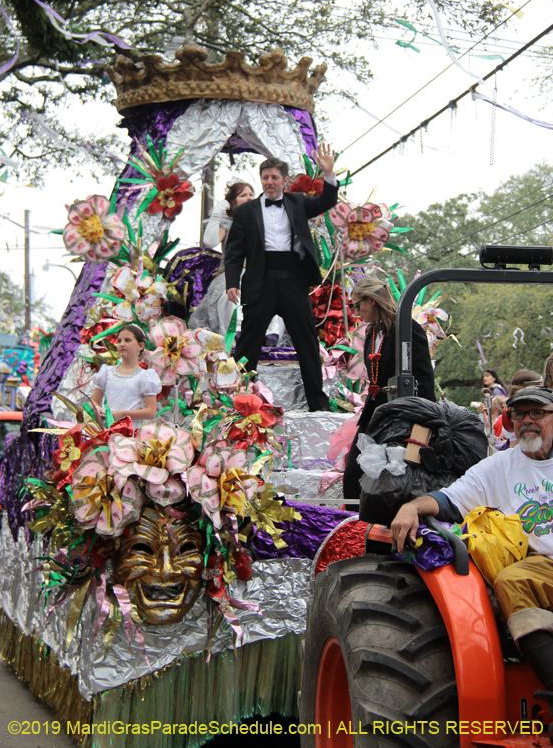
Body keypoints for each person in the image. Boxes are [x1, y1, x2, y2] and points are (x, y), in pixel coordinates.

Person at [390, 385, 553, 702]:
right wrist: (411, 507)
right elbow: (449, 500)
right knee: (512, 580)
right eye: (518, 414)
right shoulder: (499, 467)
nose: (527, 421)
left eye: (537, 413)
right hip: (539, 567)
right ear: (509, 421)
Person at [224, 145, 338, 412]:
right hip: (260, 281)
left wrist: (329, 174)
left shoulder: (297, 202)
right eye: (265, 178)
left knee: (307, 343)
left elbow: (326, 202)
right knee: (249, 344)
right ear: (261, 180)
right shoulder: (245, 211)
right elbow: (234, 251)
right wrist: (231, 282)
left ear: (285, 181)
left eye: (275, 177)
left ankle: (318, 404)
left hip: (292, 281)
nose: (270, 182)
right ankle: (240, 399)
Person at [342, 277, 435, 500]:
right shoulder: (371, 332)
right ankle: (356, 530)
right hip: (374, 414)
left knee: (396, 477)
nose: (356, 311)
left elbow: (423, 377)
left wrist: (424, 422)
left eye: (358, 305)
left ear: (372, 300)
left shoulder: (406, 327)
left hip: (402, 415)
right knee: (353, 475)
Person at [189, 182, 255, 336]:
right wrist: (217, 213)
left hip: (256, 271)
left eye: (251, 194)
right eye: (243, 195)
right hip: (231, 273)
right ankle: (233, 336)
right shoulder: (228, 222)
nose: (249, 198)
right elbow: (210, 242)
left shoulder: (261, 220)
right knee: (229, 298)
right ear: (233, 202)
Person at [92, 324, 161, 422]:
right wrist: (97, 407)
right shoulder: (107, 372)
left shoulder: (145, 377)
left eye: (127, 340)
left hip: (128, 432)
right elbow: (94, 401)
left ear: (140, 346)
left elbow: (150, 412)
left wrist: (123, 414)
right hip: (106, 430)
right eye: (119, 341)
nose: (122, 344)